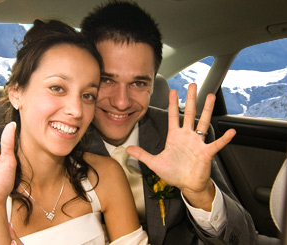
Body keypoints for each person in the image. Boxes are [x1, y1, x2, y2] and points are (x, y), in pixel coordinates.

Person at [0, 19, 148, 244]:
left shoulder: (106, 175)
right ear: (16, 92)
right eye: (57, 88)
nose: (76, 110)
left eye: (88, 96)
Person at [80, 2, 258, 244]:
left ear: (154, 82)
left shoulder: (188, 134)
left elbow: (245, 239)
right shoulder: (62, 141)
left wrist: (200, 194)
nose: (122, 102)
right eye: (106, 80)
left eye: (139, 83)